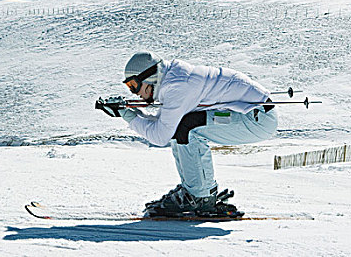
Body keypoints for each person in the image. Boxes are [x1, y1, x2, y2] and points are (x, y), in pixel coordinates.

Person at [101, 51, 278, 217]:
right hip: (250, 113)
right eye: (129, 87)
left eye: (134, 85)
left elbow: (160, 136)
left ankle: (200, 196)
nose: (134, 93)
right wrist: (129, 112)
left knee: (188, 128)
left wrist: (127, 115)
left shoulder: (177, 86)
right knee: (183, 127)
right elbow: (164, 126)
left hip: (257, 119)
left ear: (150, 77)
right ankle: (194, 190)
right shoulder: (173, 80)